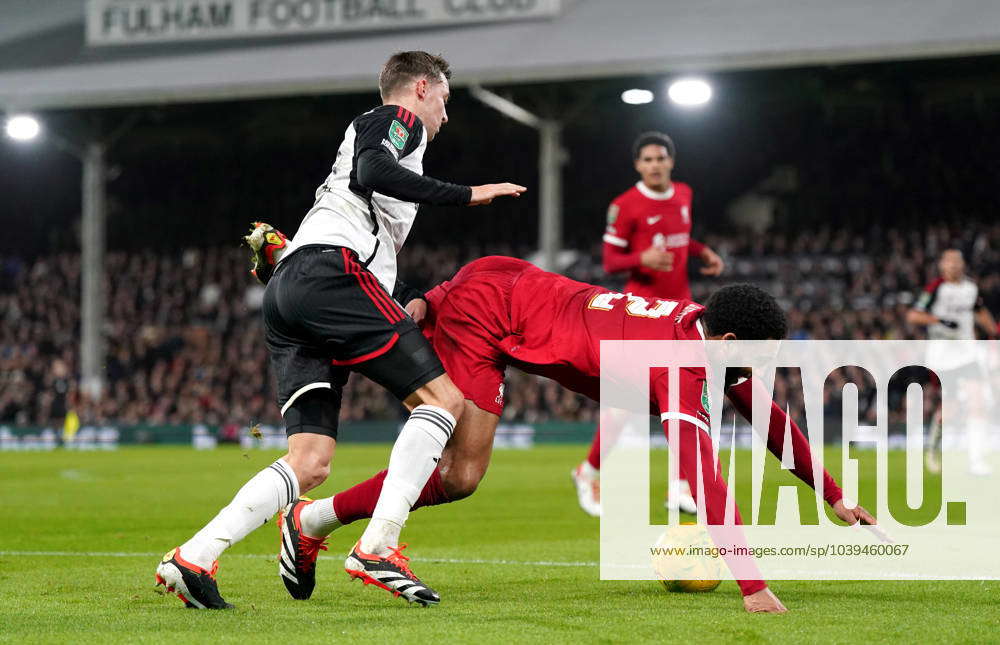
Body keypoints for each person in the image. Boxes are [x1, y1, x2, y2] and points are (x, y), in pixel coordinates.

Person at [279, 255, 873, 614]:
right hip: (489, 317)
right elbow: (703, 479)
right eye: (762, 355)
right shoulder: (682, 368)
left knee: (457, 471)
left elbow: (770, 421)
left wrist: (836, 496)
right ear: (730, 345)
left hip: (507, 280)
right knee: (461, 475)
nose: (763, 368)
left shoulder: (702, 329)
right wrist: (753, 585)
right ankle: (316, 523)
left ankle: (309, 522)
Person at [154, 51, 525, 609]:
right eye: (445, 101)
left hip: (292, 287)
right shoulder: (396, 121)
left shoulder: (367, 144)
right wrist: (468, 194)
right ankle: (378, 545)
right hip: (331, 273)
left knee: (310, 462)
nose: (445, 117)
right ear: (421, 88)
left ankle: (194, 557)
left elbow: (358, 202)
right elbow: (374, 171)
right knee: (444, 401)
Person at [575, 132, 726, 516]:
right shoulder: (625, 205)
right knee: (627, 401)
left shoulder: (684, 194)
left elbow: (681, 239)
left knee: (688, 395)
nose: (655, 165)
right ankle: (588, 470)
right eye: (647, 160)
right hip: (642, 313)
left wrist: (701, 251)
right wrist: (642, 259)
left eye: (660, 158)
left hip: (682, 311)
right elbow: (610, 261)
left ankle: (679, 485)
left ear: (671, 161)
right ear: (637, 165)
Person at [907, 248, 997, 475]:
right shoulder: (935, 288)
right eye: (950, 262)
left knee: (978, 402)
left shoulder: (970, 288)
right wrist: (939, 320)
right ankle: (932, 448)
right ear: (942, 266)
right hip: (942, 358)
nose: (955, 266)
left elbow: (979, 310)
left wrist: (993, 330)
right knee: (951, 409)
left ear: (963, 265)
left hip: (968, 355)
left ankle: (976, 461)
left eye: (958, 261)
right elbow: (913, 315)